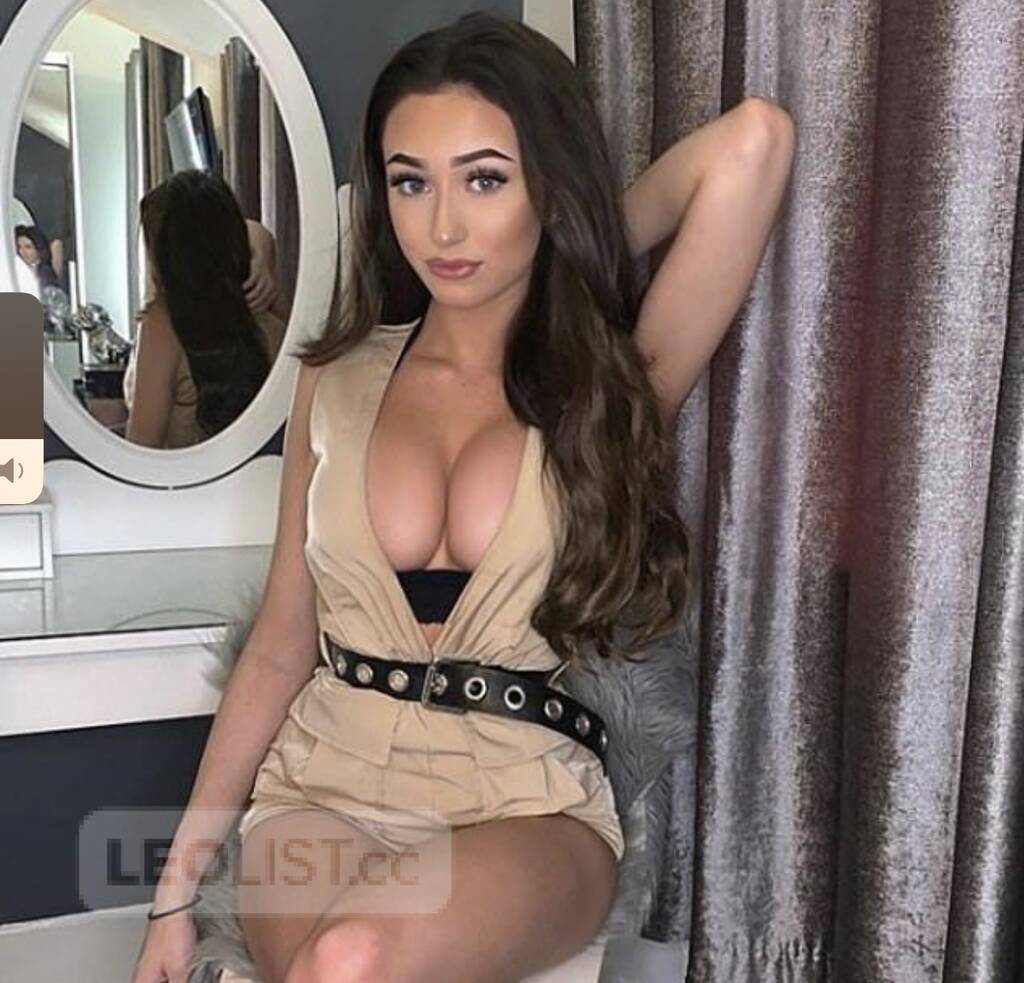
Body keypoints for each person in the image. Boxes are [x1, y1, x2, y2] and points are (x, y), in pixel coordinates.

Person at [132, 11, 793, 982]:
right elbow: (279, 643)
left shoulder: (606, 386)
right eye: (412, 181)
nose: (442, 227)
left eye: (485, 178)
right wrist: (174, 895)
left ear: (547, 184)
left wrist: (567, 244)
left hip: (526, 795)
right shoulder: (334, 378)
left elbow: (754, 146)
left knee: (350, 957)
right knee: (335, 963)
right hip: (323, 779)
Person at [123, 170, 287, 449]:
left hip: (178, 478)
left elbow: (142, 448)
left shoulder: (161, 326)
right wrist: (263, 250)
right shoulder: (273, 321)